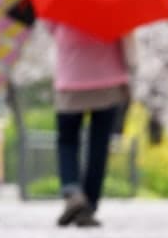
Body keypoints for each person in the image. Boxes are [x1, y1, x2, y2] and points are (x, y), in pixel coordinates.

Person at [50, 22, 136, 227]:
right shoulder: (115, 3)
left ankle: (73, 192)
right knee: (99, 145)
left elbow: (51, 29)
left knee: (67, 141)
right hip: (108, 80)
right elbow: (127, 38)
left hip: (71, 77)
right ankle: (88, 205)